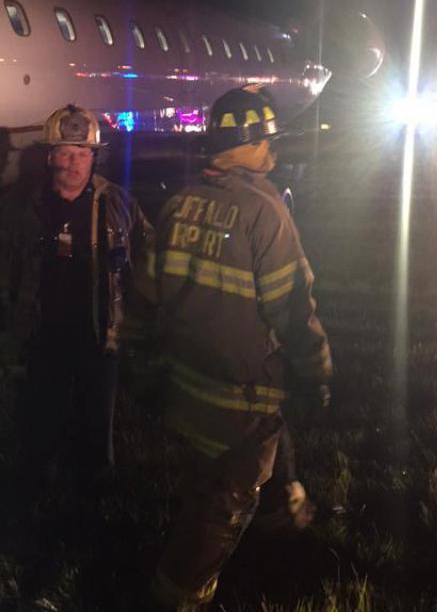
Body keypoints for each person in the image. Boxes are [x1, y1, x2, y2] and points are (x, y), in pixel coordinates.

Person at [145, 87, 332, 611]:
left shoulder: (179, 203)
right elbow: (292, 307)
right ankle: (177, 594)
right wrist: (316, 369)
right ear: (246, 144)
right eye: (266, 141)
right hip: (240, 391)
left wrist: (139, 362)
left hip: (187, 384)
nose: (273, 150)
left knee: (245, 458)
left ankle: (281, 528)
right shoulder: (263, 211)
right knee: (218, 508)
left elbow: (147, 289)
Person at [0, 103, 152, 500]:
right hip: (40, 337)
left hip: (99, 338)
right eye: (65, 153)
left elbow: (150, 260)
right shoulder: (19, 209)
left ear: (94, 157)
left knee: (95, 422)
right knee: (37, 420)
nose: (73, 163)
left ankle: (93, 498)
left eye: (82, 153)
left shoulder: (119, 205)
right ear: (50, 156)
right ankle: (31, 491)